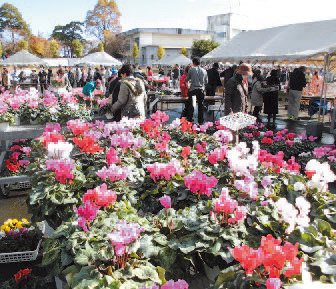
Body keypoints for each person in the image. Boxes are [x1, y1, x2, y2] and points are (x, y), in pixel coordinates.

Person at [182, 57, 208, 124]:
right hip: (201, 90)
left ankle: (190, 119)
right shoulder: (204, 70)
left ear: (193, 63)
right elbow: (206, 81)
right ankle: (200, 121)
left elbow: (187, 79)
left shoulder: (191, 70)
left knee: (192, 105)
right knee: (200, 106)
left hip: (193, 90)